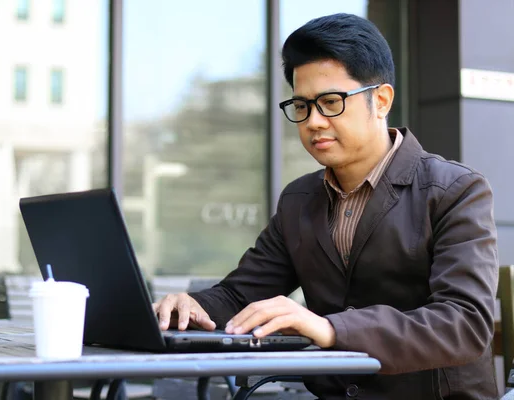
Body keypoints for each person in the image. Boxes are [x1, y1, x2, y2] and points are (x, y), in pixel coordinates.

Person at [153, 13, 498, 399]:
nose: (314, 121)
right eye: (301, 106)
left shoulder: (455, 190)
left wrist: (332, 329)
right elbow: (238, 297)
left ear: (380, 100)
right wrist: (189, 306)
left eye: (331, 102)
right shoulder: (299, 201)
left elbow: (465, 324)